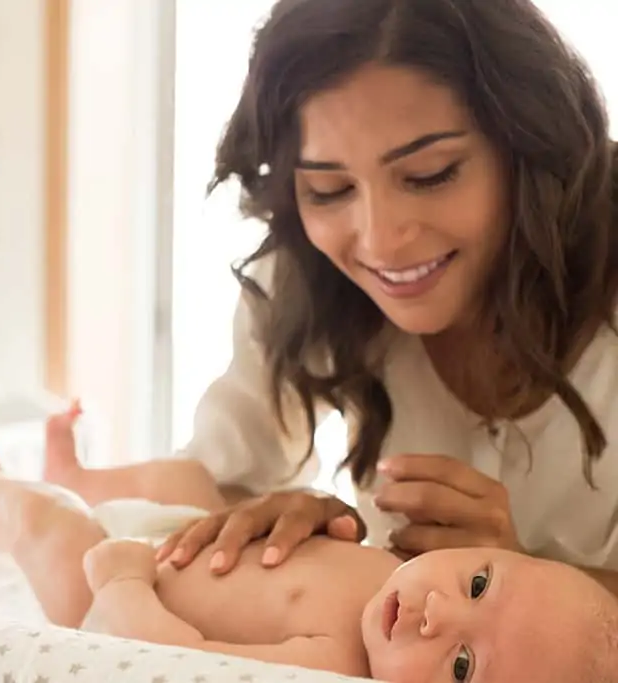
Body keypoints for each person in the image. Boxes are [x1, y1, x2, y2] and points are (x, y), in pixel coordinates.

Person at [105, 0, 618, 593]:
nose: (381, 240)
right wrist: (317, 537)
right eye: (328, 188)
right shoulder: (306, 276)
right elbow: (223, 481)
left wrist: (528, 585)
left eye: (430, 173)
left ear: (530, 146)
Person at [0, 398, 618, 682]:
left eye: (463, 666)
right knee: (188, 474)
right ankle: (83, 473)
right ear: (493, 547)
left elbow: (178, 659)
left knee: (46, 522)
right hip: (192, 538)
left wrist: (120, 583)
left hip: (114, 589)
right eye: (477, 584)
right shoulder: (400, 568)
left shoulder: (335, 664)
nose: (440, 613)